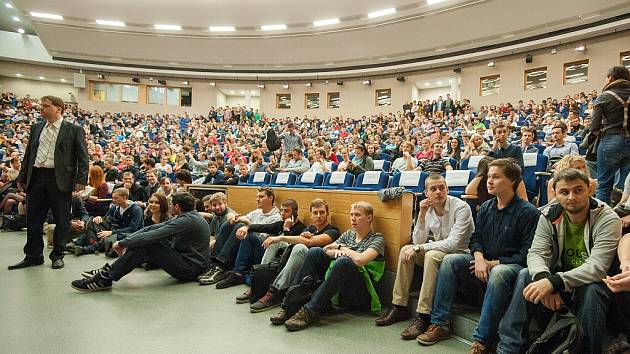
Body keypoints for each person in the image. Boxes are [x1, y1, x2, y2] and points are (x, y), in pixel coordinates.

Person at [416, 159, 539, 353]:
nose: (489, 181)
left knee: (498, 272)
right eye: (489, 176)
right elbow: (476, 239)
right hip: (484, 261)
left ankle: (482, 340)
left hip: (511, 267)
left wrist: (492, 263)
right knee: (450, 261)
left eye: (496, 177)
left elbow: (528, 254)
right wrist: (480, 258)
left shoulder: (528, 212)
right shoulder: (487, 207)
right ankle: (440, 323)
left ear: (513, 181)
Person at [498, 168, 621, 354]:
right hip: (561, 282)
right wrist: (543, 278)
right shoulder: (548, 215)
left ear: (589, 190)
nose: (572, 197)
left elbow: (598, 267)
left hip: (595, 283)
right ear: (555, 194)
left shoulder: (607, 217)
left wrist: (554, 282)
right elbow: (536, 253)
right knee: (525, 275)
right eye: (564, 192)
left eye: (578, 190)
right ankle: (509, 348)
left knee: (592, 289)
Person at [375, 174, 475, 342]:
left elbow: (452, 243)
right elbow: (418, 241)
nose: (438, 192)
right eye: (433, 189)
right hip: (438, 250)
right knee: (406, 249)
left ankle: (424, 315)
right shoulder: (426, 208)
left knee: (431, 255)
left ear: (447, 189)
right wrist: (421, 216)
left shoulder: (461, 207)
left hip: (460, 254)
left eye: (442, 188)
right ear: (426, 192)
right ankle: (399, 306)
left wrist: (420, 247)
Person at [70, 192, 212, 291]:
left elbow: (152, 236)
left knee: (148, 244)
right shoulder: (188, 217)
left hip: (190, 269)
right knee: (146, 242)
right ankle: (109, 273)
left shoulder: (187, 221)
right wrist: (125, 241)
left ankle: (106, 277)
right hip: (187, 262)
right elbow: (150, 228)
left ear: (177, 207)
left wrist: (122, 243)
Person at [9, 95, 89, 270]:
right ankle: (33, 256)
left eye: (45, 106)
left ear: (58, 109)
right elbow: (29, 154)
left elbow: (83, 157)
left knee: (61, 218)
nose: (41, 109)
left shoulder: (73, 130)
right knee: (33, 219)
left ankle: (57, 255)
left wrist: (81, 179)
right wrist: (22, 177)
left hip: (59, 179)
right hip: (36, 176)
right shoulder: (37, 127)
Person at [283, 201, 385, 331]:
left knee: (344, 261)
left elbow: (360, 260)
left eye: (358, 215)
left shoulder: (377, 238)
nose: (353, 218)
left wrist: (341, 248)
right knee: (315, 252)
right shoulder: (349, 234)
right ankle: (290, 305)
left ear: (369, 217)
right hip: (337, 288)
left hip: (359, 294)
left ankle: (310, 311)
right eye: (351, 214)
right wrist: (335, 251)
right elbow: (327, 249)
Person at [258, 198, 341, 316]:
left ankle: (277, 290)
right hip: (304, 270)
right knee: (276, 243)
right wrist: (291, 235)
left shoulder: (333, 231)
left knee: (299, 247)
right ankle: (261, 284)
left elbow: (310, 242)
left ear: (327, 214)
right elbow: (297, 240)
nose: (318, 216)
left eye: (322, 212)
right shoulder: (310, 229)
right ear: (311, 215)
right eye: (315, 213)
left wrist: (281, 237)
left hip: (320, 271)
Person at [216, 199, 306, 292]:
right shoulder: (280, 224)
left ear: (294, 213)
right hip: (268, 258)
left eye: (286, 211)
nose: (282, 213)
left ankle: (246, 277)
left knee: (269, 241)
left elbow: (289, 250)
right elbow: (263, 227)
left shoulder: (301, 228)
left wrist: (286, 229)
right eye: (281, 210)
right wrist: (247, 227)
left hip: (280, 264)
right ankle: (239, 272)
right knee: (249, 234)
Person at [201, 187, 281, 285]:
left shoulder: (276, 217)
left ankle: (224, 266)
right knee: (230, 224)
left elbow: (262, 238)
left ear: (270, 198)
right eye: (257, 197)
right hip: (247, 246)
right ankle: (215, 263)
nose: (257, 199)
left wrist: (248, 226)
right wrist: (233, 217)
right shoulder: (257, 212)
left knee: (244, 229)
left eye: (261, 197)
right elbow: (242, 218)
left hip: (261, 251)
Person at [590, 66, 630, 204]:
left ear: (611, 78)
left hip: (610, 141)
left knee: (604, 186)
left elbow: (593, 127)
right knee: (627, 187)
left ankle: (604, 221)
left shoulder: (604, 96)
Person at [74, 188, 143, 256]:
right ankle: (80, 243)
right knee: (93, 222)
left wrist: (111, 232)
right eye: (113, 198)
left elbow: (132, 228)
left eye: (116, 198)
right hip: (115, 229)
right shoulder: (115, 208)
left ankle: (86, 249)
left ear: (124, 197)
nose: (113, 200)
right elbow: (105, 219)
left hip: (130, 233)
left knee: (111, 238)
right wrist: (98, 218)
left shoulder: (136, 209)